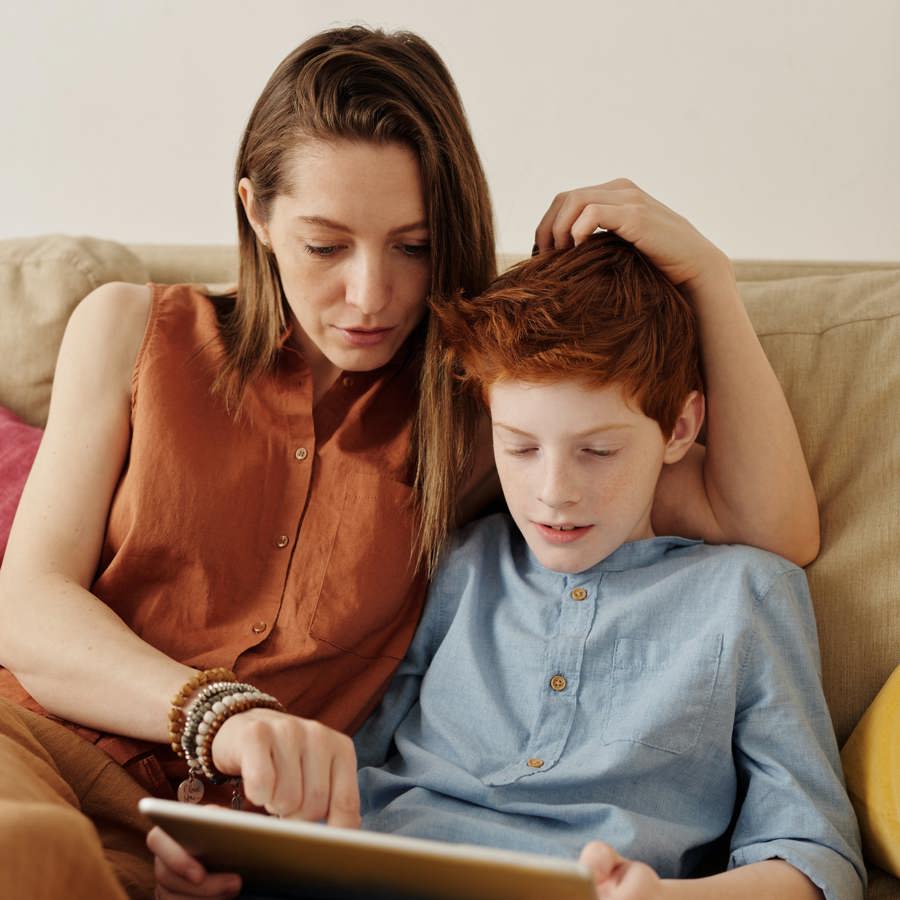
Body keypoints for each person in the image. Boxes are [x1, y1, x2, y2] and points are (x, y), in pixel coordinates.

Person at [0, 24, 819, 900]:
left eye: (413, 245)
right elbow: (28, 607)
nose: (371, 294)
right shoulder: (130, 329)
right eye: (325, 245)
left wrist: (709, 277)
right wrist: (221, 715)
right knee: (26, 850)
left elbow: (763, 527)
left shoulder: (485, 418)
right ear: (257, 212)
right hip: (38, 749)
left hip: (213, 852)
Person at [350, 233, 864, 899]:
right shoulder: (461, 564)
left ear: (680, 429)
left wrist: (663, 898)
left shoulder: (745, 593)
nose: (554, 491)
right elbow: (344, 765)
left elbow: (814, 856)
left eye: (596, 451)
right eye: (522, 447)